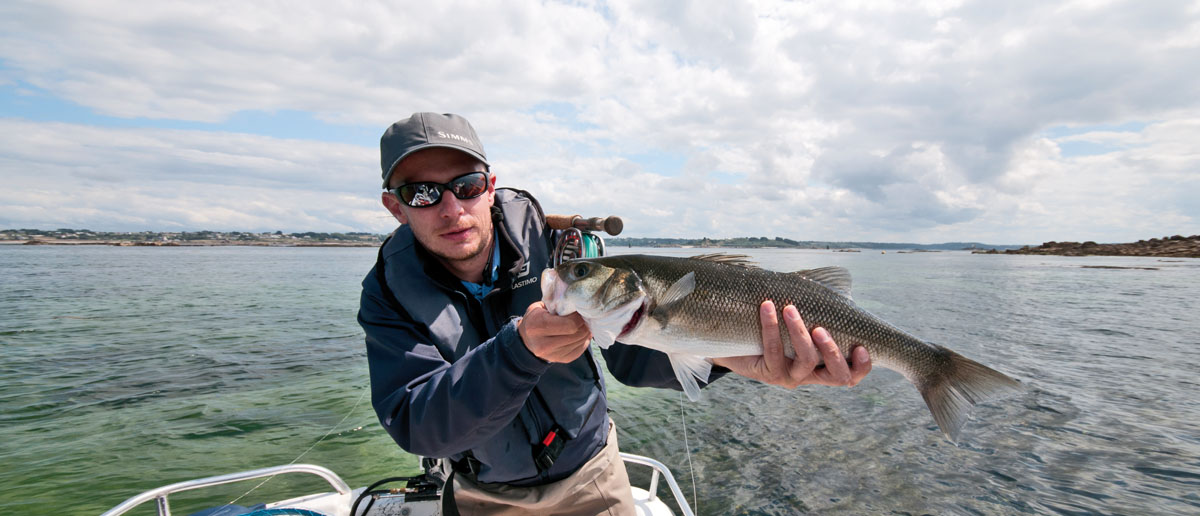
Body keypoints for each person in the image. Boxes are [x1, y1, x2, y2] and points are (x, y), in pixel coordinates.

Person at [358, 112, 872, 515]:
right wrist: (519, 352)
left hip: (593, 478)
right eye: (422, 193)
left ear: (490, 186)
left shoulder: (563, 252)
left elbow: (632, 357)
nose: (451, 209)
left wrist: (731, 358)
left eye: (466, 185)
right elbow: (418, 425)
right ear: (394, 207)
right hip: (483, 495)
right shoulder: (387, 292)